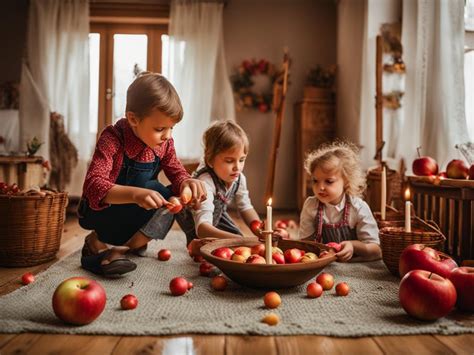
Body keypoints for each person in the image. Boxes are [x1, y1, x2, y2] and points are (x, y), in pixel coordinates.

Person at [77, 72, 206, 277]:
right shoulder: (112, 138)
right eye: (160, 128)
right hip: (104, 214)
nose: (167, 136)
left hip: (136, 212)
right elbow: (93, 184)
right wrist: (135, 194)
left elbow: (176, 170)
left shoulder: (164, 143)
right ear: (133, 119)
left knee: (174, 195)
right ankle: (97, 243)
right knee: (154, 189)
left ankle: (126, 246)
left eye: (171, 128)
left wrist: (187, 182)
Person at [176, 120, 264, 250]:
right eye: (229, 161)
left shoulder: (239, 178)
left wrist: (261, 232)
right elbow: (202, 228)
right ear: (210, 160)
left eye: (242, 160)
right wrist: (240, 240)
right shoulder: (205, 182)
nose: (237, 167)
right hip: (197, 221)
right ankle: (192, 244)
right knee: (220, 246)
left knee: (238, 243)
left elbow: (245, 207)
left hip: (217, 215)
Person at [297, 141, 381, 262]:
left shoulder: (358, 207)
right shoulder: (311, 206)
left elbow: (376, 250)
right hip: (324, 264)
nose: (320, 187)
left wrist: (353, 245)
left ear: (346, 181)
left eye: (329, 181)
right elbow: (305, 244)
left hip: (355, 264)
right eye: (315, 181)